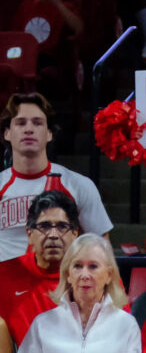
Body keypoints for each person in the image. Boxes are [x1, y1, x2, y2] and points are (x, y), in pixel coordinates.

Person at [0, 93, 112, 262]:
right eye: (20, 123)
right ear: (7, 133)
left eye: (37, 123)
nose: (29, 129)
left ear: (50, 134)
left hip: (60, 285)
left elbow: (102, 248)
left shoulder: (78, 185)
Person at [0, 191, 79, 353]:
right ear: (29, 234)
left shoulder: (94, 275)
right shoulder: (5, 273)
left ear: (75, 234)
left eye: (62, 227)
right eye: (44, 226)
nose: (53, 235)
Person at [10, 0, 83, 103]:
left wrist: (58, 3)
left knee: (44, 71)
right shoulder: (25, 7)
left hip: (50, 59)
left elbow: (78, 29)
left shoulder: (66, 7)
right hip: (25, 58)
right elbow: (15, 36)